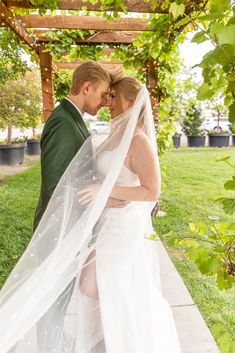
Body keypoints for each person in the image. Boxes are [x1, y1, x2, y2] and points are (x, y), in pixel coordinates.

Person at [0, 76, 181, 353]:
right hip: (105, 224)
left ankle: (125, 341)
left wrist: (107, 193)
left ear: (130, 103)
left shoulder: (139, 141)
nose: (107, 103)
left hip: (122, 226)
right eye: (106, 96)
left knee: (107, 286)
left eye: (113, 98)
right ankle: (108, 340)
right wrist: (99, 195)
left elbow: (151, 191)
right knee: (95, 287)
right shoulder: (114, 135)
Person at [34, 59, 127, 231]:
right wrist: (101, 199)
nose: (106, 103)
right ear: (86, 88)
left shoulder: (73, 119)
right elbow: (54, 185)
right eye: (103, 94)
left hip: (70, 223)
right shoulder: (63, 122)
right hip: (58, 229)